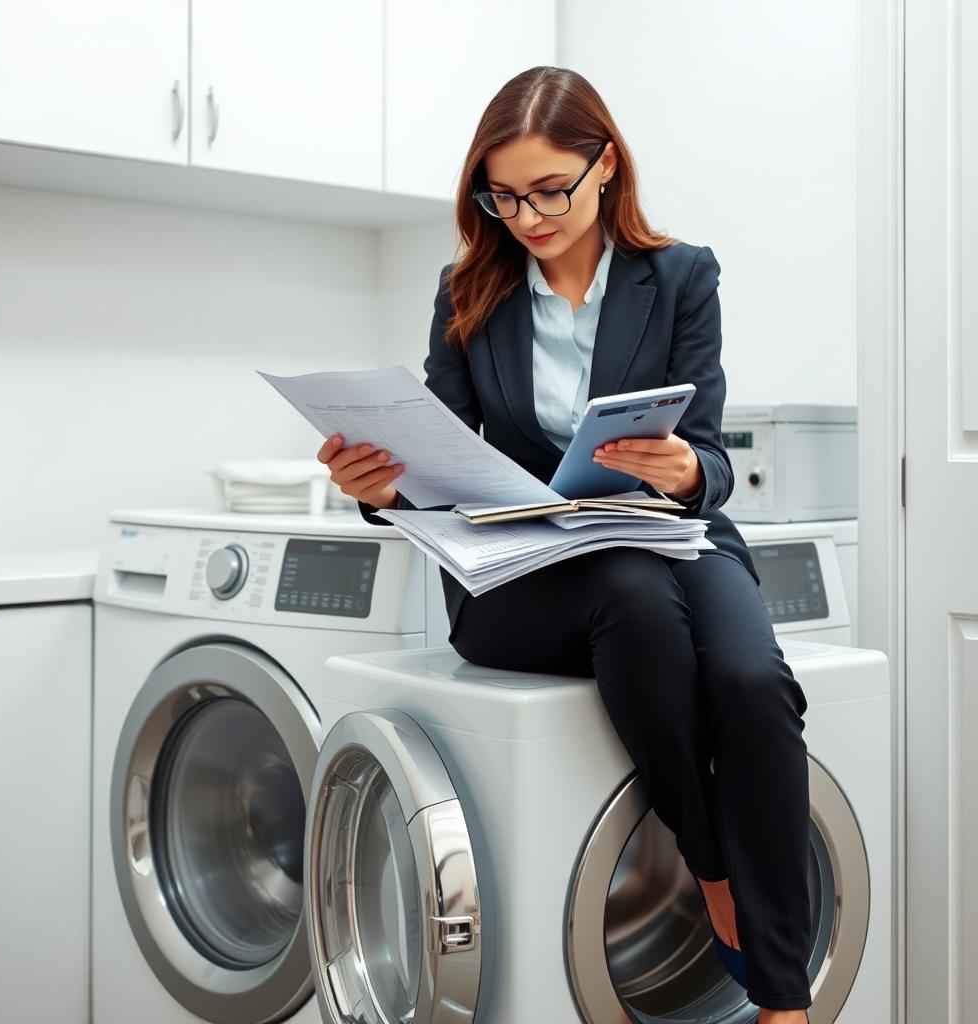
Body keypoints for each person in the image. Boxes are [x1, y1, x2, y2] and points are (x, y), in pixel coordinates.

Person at [317, 66, 812, 1023]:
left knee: (753, 683)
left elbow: (706, 452)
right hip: (534, 570)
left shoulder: (680, 276)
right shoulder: (470, 289)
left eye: (549, 189)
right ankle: (709, 864)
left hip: (667, 534)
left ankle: (784, 1002)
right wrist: (379, 488)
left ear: (605, 165)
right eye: (502, 196)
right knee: (629, 596)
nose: (527, 217)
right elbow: (440, 452)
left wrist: (681, 471)